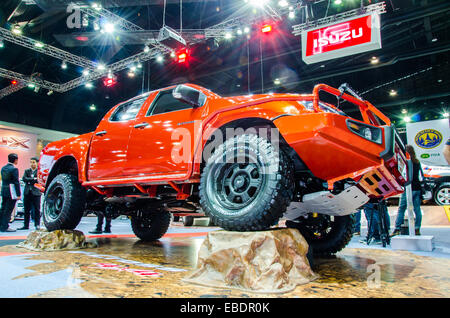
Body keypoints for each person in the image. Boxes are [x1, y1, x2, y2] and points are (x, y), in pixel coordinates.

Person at [391, 145, 423, 236]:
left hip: (408, 188)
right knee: (417, 209)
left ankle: (397, 228)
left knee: (401, 209)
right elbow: (420, 175)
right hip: (417, 188)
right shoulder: (417, 162)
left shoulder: (405, 162)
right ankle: (417, 228)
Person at [18, 157, 41, 230]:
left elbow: (38, 180)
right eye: (31, 162)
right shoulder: (27, 171)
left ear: (37, 163)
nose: (32, 164)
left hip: (36, 192)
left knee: (37, 209)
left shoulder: (39, 171)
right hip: (27, 192)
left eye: (33, 162)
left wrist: (30, 180)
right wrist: (33, 179)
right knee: (26, 209)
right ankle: (26, 225)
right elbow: (24, 179)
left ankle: (37, 224)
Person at [0, 153, 21, 232]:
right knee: (8, 210)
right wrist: (18, 194)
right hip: (11, 192)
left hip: (4, 190)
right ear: (15, 160)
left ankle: (1, 225)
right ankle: (5, 226)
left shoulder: (3, 168)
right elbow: (16, 182)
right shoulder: (14, 169)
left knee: (3, 208)